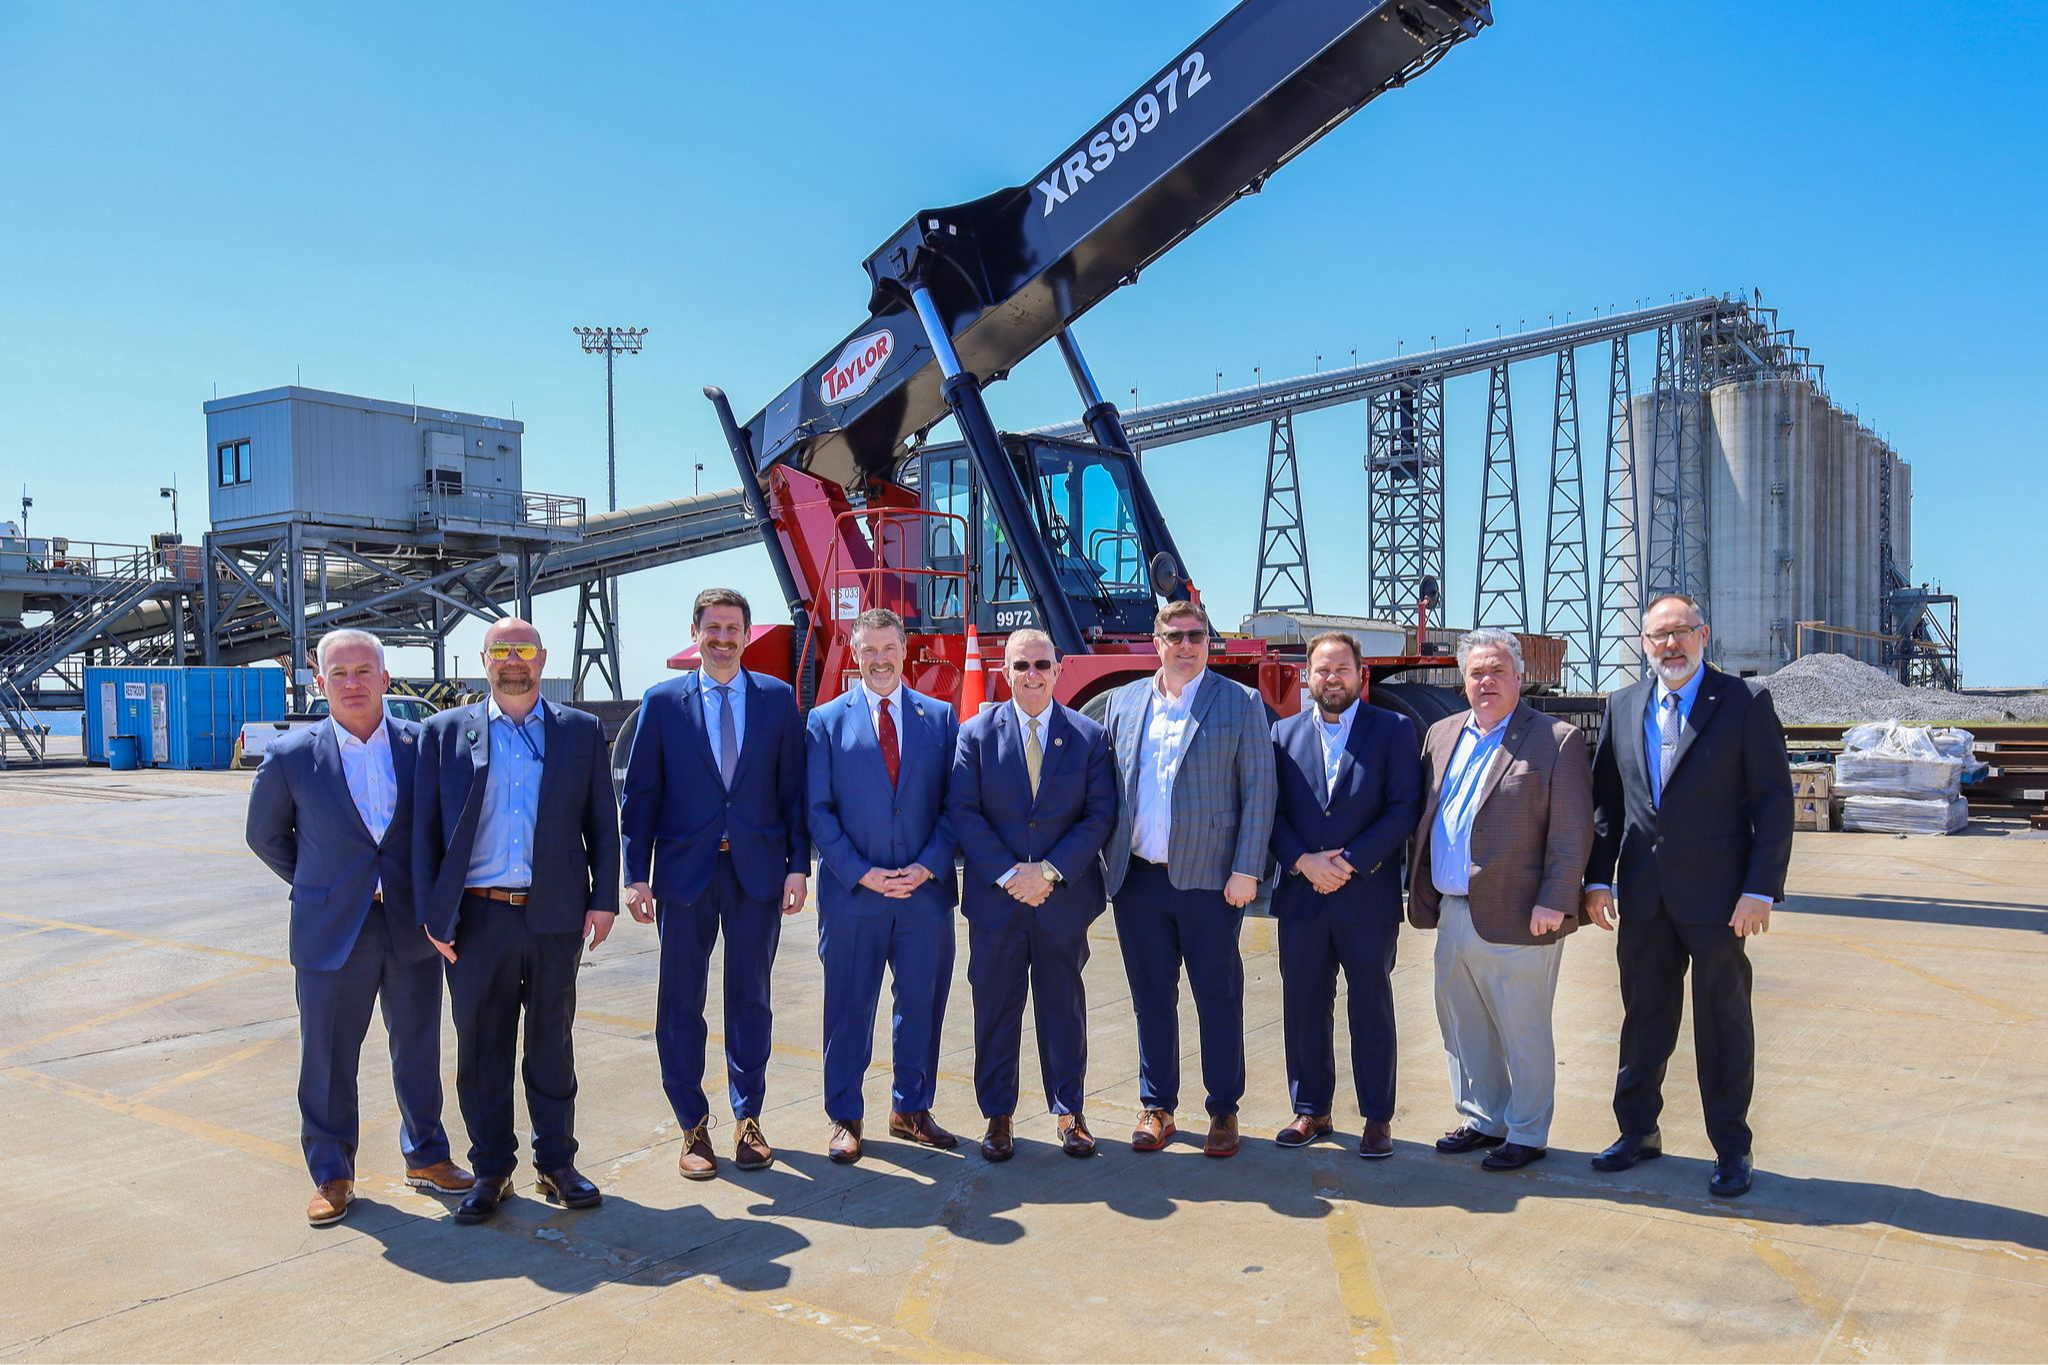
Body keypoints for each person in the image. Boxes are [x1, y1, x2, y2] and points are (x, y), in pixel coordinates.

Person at [246, 629, 472, 1226]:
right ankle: (331, 1173)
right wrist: (321, 883)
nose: (351, 683)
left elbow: (444, 831)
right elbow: (264, 836)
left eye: (362, 671)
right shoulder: (292, 755)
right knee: (326, 1056)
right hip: (330, 928)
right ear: (319, 681)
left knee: (419, 1046)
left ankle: (426, 1154)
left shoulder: (422, 744)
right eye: (338, 673)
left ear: (385, 678)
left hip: (409, 925)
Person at [1582, 592, 1793, 1199]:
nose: (1669, 645)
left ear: (1704, 634)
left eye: (1680, 632)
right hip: (1643, 898)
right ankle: (1637, 1132)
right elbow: (1607, 804)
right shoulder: (1623, 705)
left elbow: (1775, 803)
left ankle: (1732, 1148)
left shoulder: (1745, 701)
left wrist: (1760, 889)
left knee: (1723, 1024)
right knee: (1643, 1019)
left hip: (1721, 900)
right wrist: (1598, 879)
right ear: (1643, 645)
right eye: (1657, 636)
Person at [413, 618, 620, 1224]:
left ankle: (556, 1163)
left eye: (523, 651)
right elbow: (423, 833)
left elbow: (601, 822)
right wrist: (434, 914)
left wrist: (602, 898)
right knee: (482, 1049)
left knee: (551, 1045)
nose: (512, 662)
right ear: (483, 660)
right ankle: (491, 1170)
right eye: (500, 651)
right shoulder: (444, 733)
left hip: (554, 916)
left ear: (542, 658)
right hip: (476, 919)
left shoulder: (579, 732)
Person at [621, 588, 808, 1179]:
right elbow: (640, 796)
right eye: (713, 628)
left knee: (750, 998)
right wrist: (634, 875)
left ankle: (748, 1116)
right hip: (683, 876)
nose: (723, 639)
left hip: (756, 872)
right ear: (696, 632)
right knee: (680, 1003)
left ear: (746, 635)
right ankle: (693, 1126)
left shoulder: (777, 701)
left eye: (733, 629)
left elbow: (792, 795)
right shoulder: (662, 703)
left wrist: (798, 865)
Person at [1408, 628, 1592, 1172]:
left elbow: (1573, 829)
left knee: (1523, 1028)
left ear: (1519, 676)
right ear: (1462, 681)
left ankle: (1528, 1132)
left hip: (1522, 915)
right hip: (1452, 909)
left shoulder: (1555, 739)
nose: (1486, 681)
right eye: (1476, 673)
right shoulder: (1441, 734)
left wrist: (1556, 900)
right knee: (1463, 1024)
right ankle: (1482, 1117)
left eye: (1497, 671)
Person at [1100, 601, 1277, 1158]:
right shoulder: (1124, 703)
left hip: (1212, 881)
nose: (1185, 644)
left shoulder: (1240, 702)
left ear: (1209, 642)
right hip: (1138, 880)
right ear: (1156, 640)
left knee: (1217, 996)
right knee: (1150, 998)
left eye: (1195, 635)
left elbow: (1259, 792)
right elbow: (1108, 787)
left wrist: (1248, 868)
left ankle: (1223, 1110)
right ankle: (1157, 1106)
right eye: (1174, 635)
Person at [947, 629, 1117, 1161]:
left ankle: (1069, 1111)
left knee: (1062, 1007)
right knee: (995, 1007)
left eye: (1042, 664)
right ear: (1005, 671)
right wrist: (1008, 875)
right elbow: (964, 813)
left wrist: (1047, 873)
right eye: (1021, 666)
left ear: (1058, 669)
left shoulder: (1089, 737)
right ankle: (998, 1117)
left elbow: (1099, 816)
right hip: (997, 902)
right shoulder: (975, 734)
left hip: (1062, 901)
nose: (1033, 675)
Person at [805, 607, 961, 1164]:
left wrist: (926, 867)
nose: (877, 660)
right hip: (853, 898)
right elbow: (818, 811)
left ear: (904, 650)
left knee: (921, 1004)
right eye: (866, 650)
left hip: (924, 897)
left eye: (887, 649)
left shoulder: (940, 719)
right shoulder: (824, 722)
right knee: (848, 1009)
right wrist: (861, 872)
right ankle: (845, 1116)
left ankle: (911, 1108)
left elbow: (954, 806)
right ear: (853, 653)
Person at [1267, 632, 1422, 1158]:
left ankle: (1377, 1118)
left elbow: (1403, 808)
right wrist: (1303, 862)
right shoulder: (1281, 735)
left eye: (1341, 670)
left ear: (1362, 675)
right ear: (1308, 678)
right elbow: (1272, 814)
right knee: (1304, 1006)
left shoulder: (1395, 731)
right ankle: (1311, 1110)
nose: (1331, 679)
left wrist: (1351, 862)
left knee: (1370, 1008)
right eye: (1322, 671)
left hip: (1367, 898)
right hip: (1302, 898)